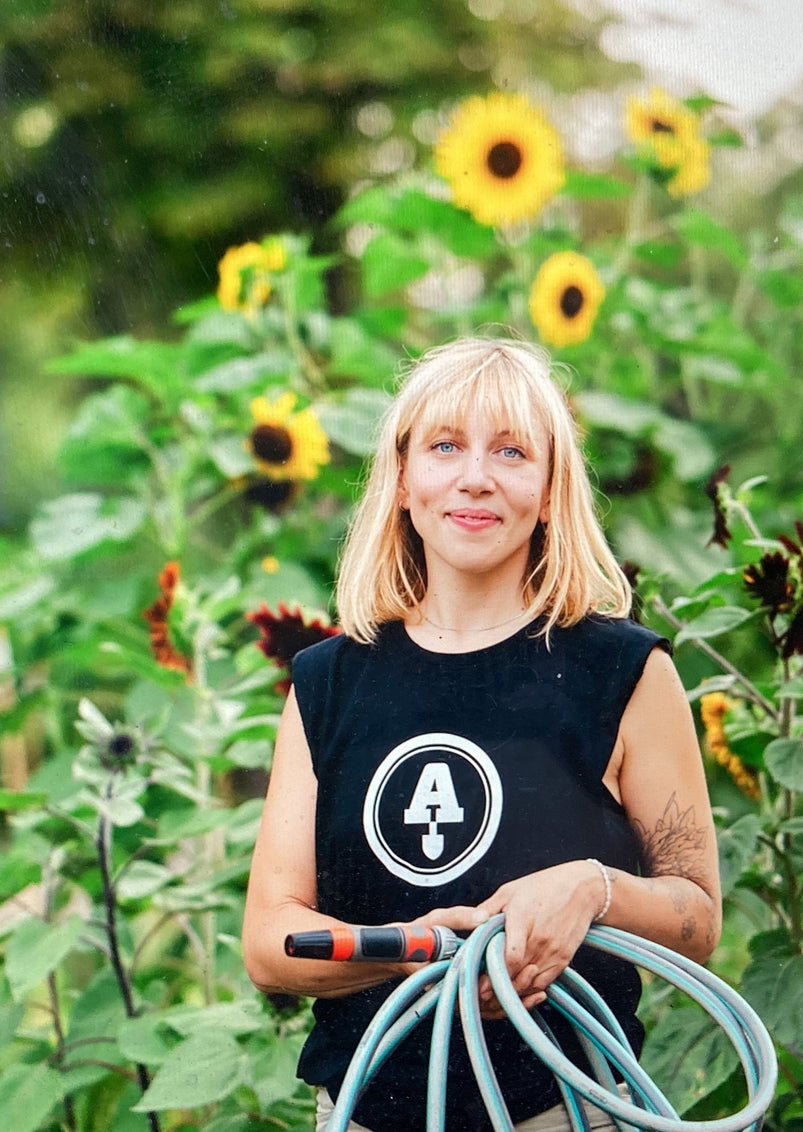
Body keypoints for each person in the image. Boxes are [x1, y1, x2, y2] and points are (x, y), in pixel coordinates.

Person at [242, 336, 721, 1132]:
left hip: (567, 1107)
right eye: (444, 446)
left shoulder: (624, 672)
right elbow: (269, 940)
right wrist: (408, 947)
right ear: (402, 480)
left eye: (510, 450)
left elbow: (697, 917)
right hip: (366, 1109)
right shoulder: (328, 682)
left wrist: (589, 890)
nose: (475, 477)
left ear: (548, 487)